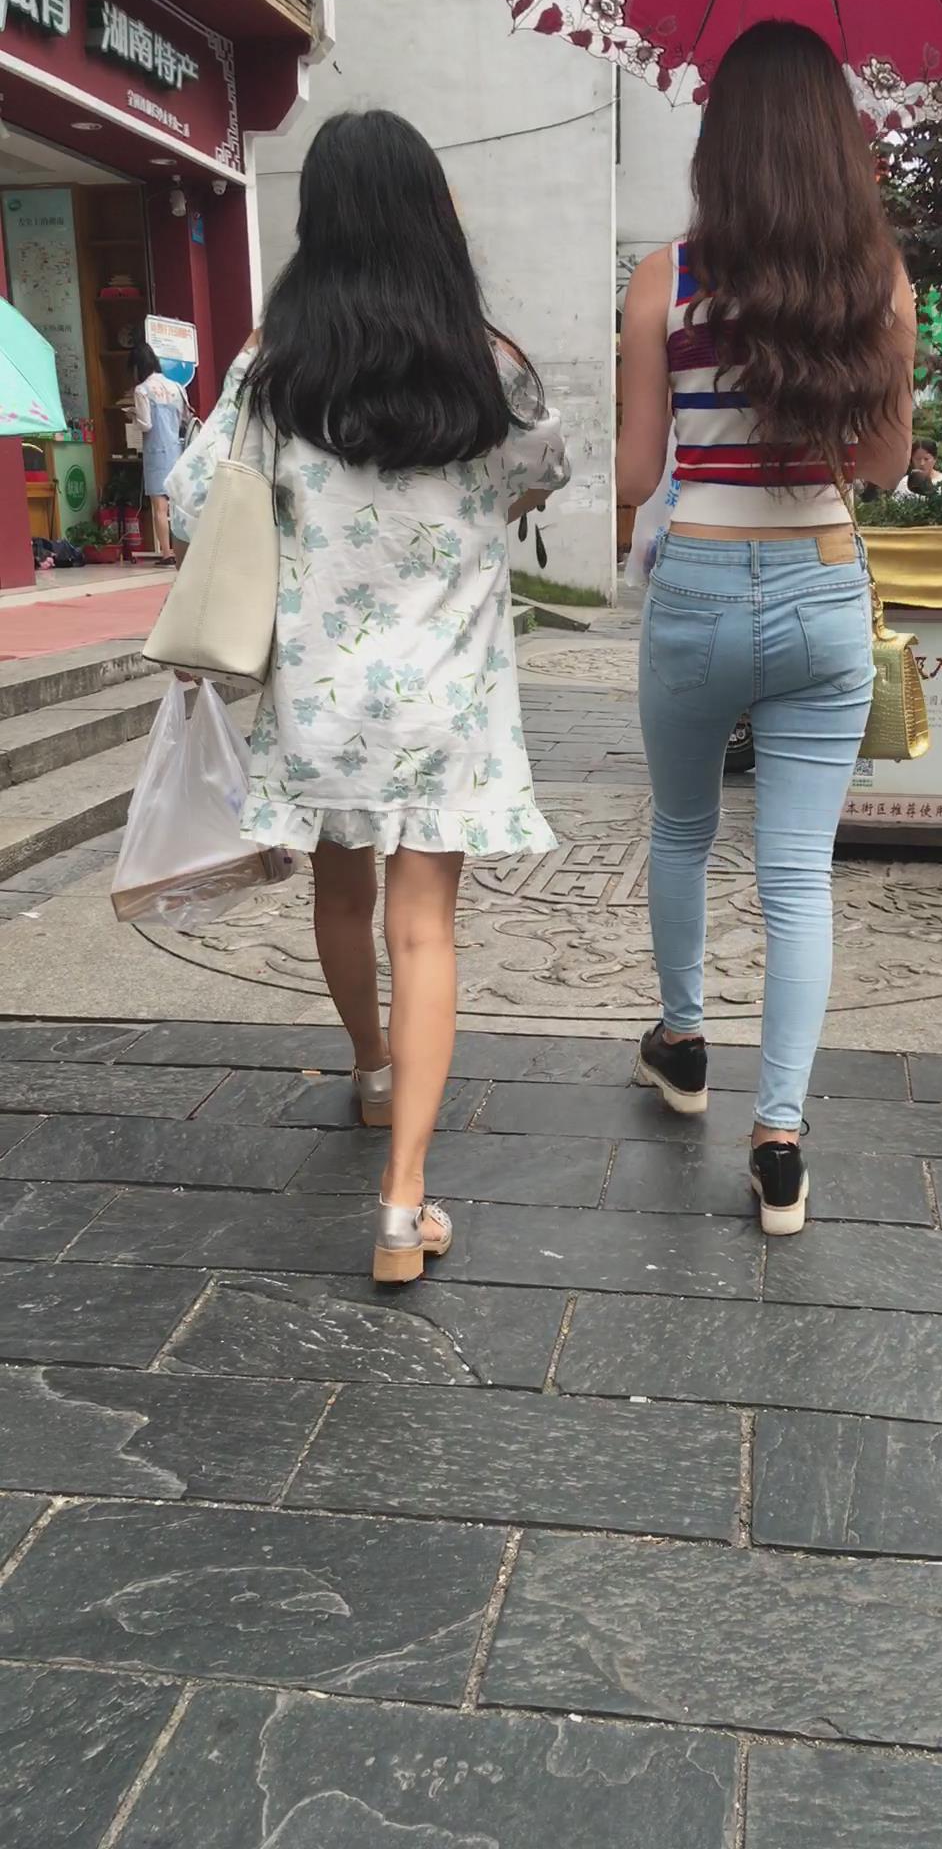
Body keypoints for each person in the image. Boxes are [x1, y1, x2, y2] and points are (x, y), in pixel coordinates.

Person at [166, 110, 569, 1282]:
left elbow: (194, 505)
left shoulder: (274, 369)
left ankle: (372, 1066)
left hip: (325, 699)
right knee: (426, 926)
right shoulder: (490, 363)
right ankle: (402, 1206)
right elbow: (543, 470)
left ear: (319, 224)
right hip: (449, 701)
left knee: (339, 890)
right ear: (434, 214)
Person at [617, 20, 915, 1235]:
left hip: (697, 582)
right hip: (822, 583)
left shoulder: (666, 279)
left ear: (722, 140)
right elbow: (884, 465)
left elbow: (636, 473)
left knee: (683, 829)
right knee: (796, 873)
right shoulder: (875, 285)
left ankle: (683, 1046)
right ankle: (779, 1142)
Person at [130, 343, 190, 560]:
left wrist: (132, 415)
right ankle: (183, 550)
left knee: (160, 508)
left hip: (156, 452)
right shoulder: (177, 388)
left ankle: (166, 552)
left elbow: (146, 424)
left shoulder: (142, 390)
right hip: (177, 450)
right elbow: (186, 418)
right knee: (178, 506)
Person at [895, 437, 942, 503]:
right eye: (918, 459)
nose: (922, 463)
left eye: (926, 459)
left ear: (934, 459)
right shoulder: (904, 482)